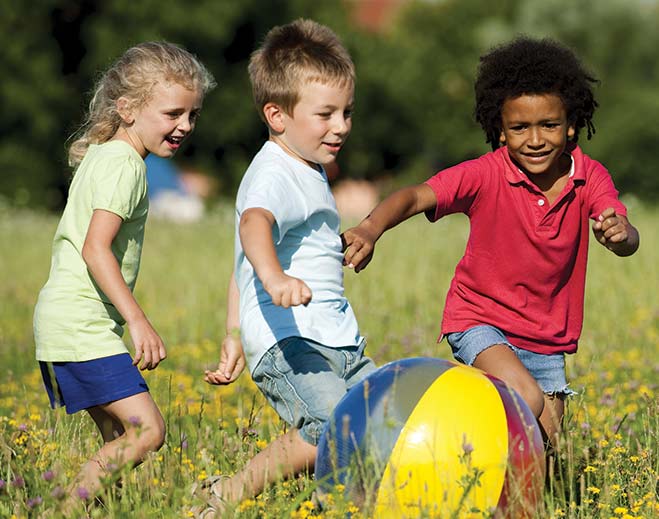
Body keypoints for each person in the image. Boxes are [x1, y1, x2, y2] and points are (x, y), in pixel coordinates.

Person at [342, 36, 639, 449]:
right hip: (480, 319)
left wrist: (620, 235)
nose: (535, 139)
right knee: (526, 398)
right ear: (501, 131)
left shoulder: (590, 178)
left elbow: (624, 232)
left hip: (547, 339)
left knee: (547, 447)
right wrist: (370, 229)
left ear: (571, 125)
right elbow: (414, 196)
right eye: (519, 127)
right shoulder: (484, 174)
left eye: (549, 125)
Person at [199, 19, 376, 515]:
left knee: (382, 416)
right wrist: (275, 279)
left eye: (346, 112)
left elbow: (243, 262)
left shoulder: (308, 168)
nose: (341, 126)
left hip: (336, 339)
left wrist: (233, 332)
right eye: (326, 114)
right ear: (277, 114)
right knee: (335, 428)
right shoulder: (274, 173)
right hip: (292, 342)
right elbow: (253, 227)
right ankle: (236, 494)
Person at [33, 41, 215, 509]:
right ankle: (64, 509)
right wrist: (138, 320)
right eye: (173, 113)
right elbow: (96, 249)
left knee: (118, 437)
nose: (185, 126)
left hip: (66, 321)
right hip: (81, 325)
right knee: (147, 430)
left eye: (192, 115)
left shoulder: (106, 155)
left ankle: (96, 509)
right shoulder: (125, 166)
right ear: (128, 108)